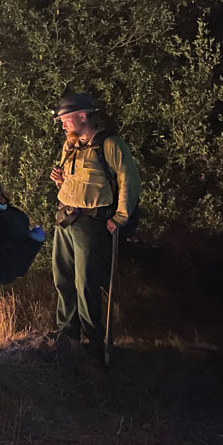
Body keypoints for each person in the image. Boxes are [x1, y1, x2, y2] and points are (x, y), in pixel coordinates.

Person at [50, 93, 141, 364]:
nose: (62, 124)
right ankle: (67, 333)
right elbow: (73, 180)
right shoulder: (71, 145)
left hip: (91, 223)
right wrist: (59, 179)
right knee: (62, 278)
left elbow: (129, 181)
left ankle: (93, 341)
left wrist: (121, 218)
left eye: (65, 119)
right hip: (64, 218)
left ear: (82, 115)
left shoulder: (110, 145)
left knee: (86, 283)